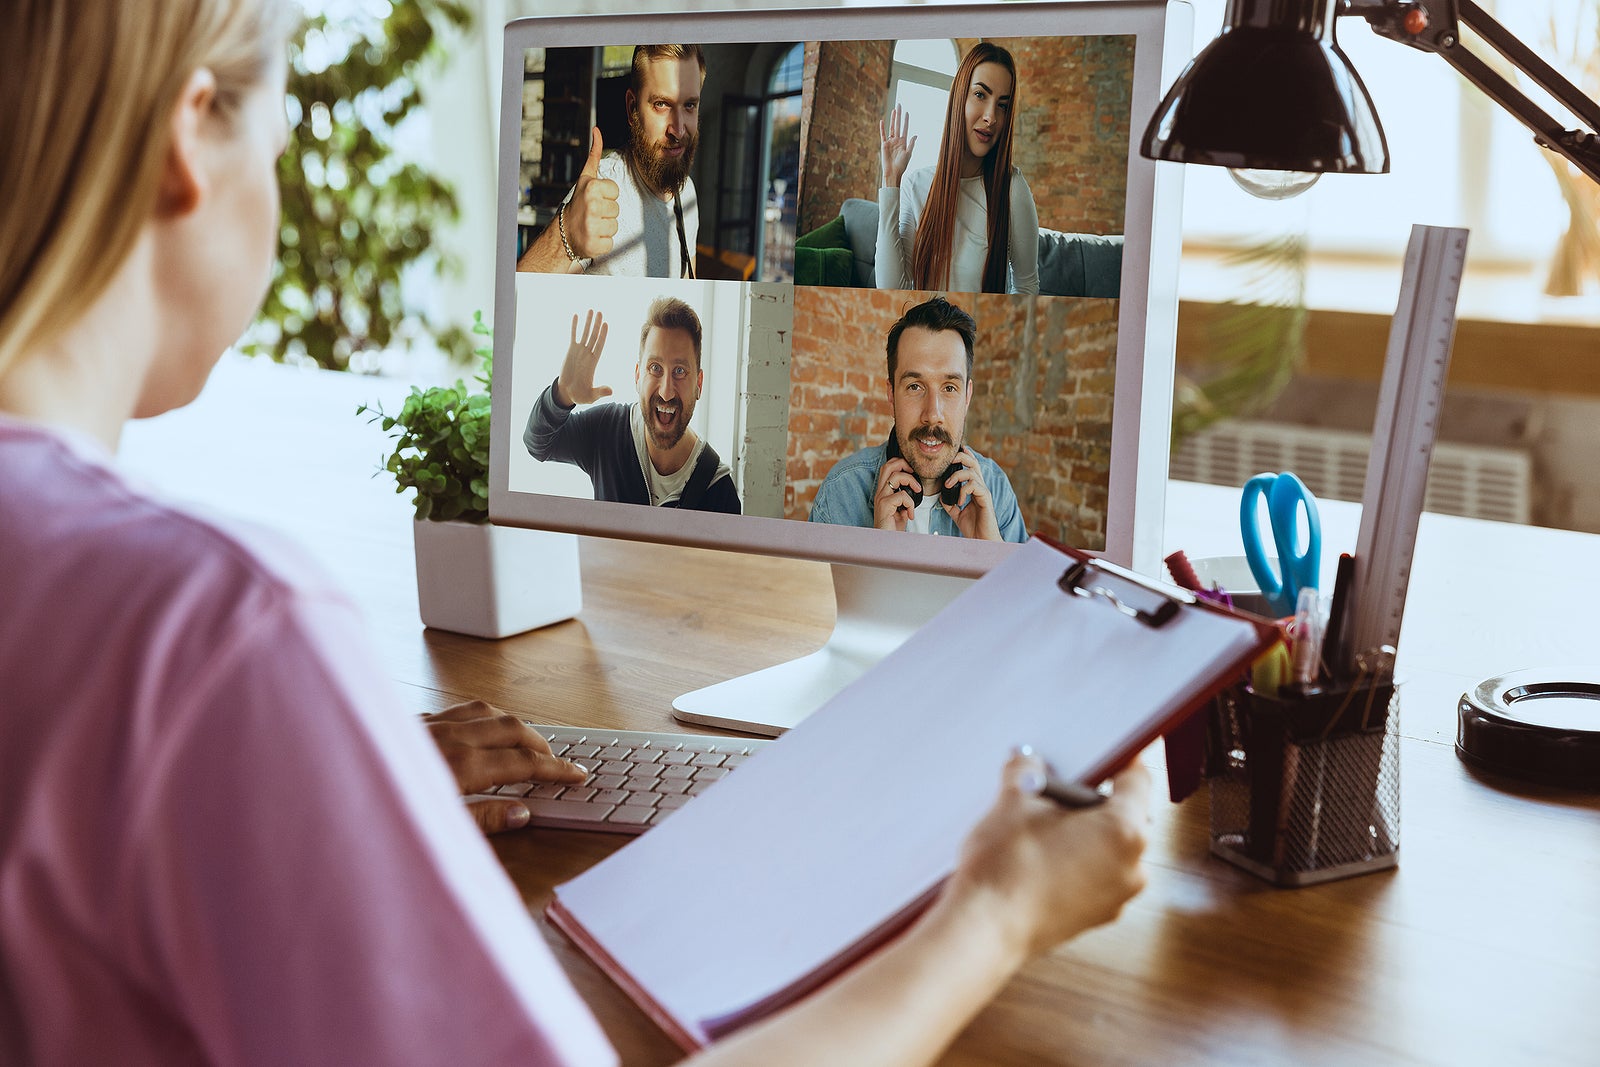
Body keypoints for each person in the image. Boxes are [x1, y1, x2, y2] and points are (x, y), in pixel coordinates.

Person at [0, 3, 1149, 1064]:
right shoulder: (214, 635)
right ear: (190, 136)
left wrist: (325, 784)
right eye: (279, 120)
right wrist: (997, 907)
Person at [810, 296, 1027, 542]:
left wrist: (991, 553)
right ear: (891, 394)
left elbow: (1026, 582)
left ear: (967, 396)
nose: (932, 414)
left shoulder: (996, 491)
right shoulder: (841, 492)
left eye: (949, 388)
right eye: (915, 386)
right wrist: (880, 550)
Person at [523, 297, 741, 513]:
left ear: (699, 384)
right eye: (655, 368)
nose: (666, 392)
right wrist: (562, 395)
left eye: (680, 371)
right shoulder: (607, 430)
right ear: (638, 376)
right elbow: (538, 445)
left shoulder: (720, 493)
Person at [517, 44, 703, 278]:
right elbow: (514, 303)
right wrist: (564, 236)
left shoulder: (687, 193)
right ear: (632, 108)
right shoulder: (602, 190)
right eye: (661, 104)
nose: (678, 130)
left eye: (689, 105)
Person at [875, 42, 1040, 295]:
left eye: (1002, 105)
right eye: (980, 95)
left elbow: (1027, 287)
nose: (991, 117)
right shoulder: (916, 185)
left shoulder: (1012, 188)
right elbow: (890, 290)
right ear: (959, 98)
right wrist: (890, 181)